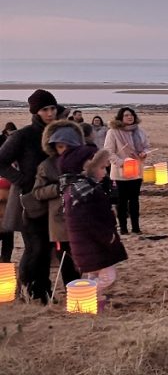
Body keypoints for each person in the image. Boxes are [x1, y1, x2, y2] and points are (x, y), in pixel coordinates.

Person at [0, 89, 61, 301]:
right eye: (45, 109)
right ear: (36, 111)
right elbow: (1, 161)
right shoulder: (23, 135)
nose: (50, 113)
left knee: (48, 246)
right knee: (35, 247)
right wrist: (23, 180)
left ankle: (42, 288)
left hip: (52, 198)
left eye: (53, 108)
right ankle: (31, 288)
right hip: (28, 200)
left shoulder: (57, 133)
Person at [60, 145, 126, 306]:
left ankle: (94, 301)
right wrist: (107, 236)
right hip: (93, 242)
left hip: (89, 242)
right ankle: (84, 295)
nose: (105, 172)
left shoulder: (82, 188)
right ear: (87, 167)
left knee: (94, 273)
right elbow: (88, 219)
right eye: (103, 168)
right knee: (108, 276)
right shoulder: (82, 191)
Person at [33, 119, 85, 289]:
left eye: (69, 146)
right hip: (60, 221)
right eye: (61, 146)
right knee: (67, 259)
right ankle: (73, 291)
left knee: (84, 257)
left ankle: (84, 288)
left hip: (84, 218)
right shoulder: (47, 166)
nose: (64, 150)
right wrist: (58, 188)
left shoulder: (85, 162)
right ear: (54, 146)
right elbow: (38, 192)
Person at [103, 106, 152, 235]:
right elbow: (108, 151)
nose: (129, 117)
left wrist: (144, 153)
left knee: (134, 199)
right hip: (121, 172)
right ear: (120, 117)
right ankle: (123, 228)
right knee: (122, 200)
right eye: (126, 115)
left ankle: (136, 227)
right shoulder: (113, 132)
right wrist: (121, 163)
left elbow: (147, 146)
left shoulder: (139, 131)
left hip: (137, 169)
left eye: (131, 115)